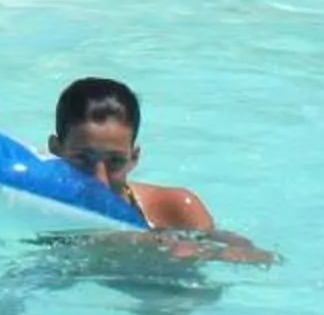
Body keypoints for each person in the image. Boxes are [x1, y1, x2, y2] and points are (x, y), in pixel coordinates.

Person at [49, 76, 217, 232]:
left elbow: (235, 253)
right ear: (56, 149)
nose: (100, 180)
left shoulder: (175, 210)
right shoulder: (40, 207)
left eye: (115, 161)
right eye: (83, 159)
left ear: (133, 158)